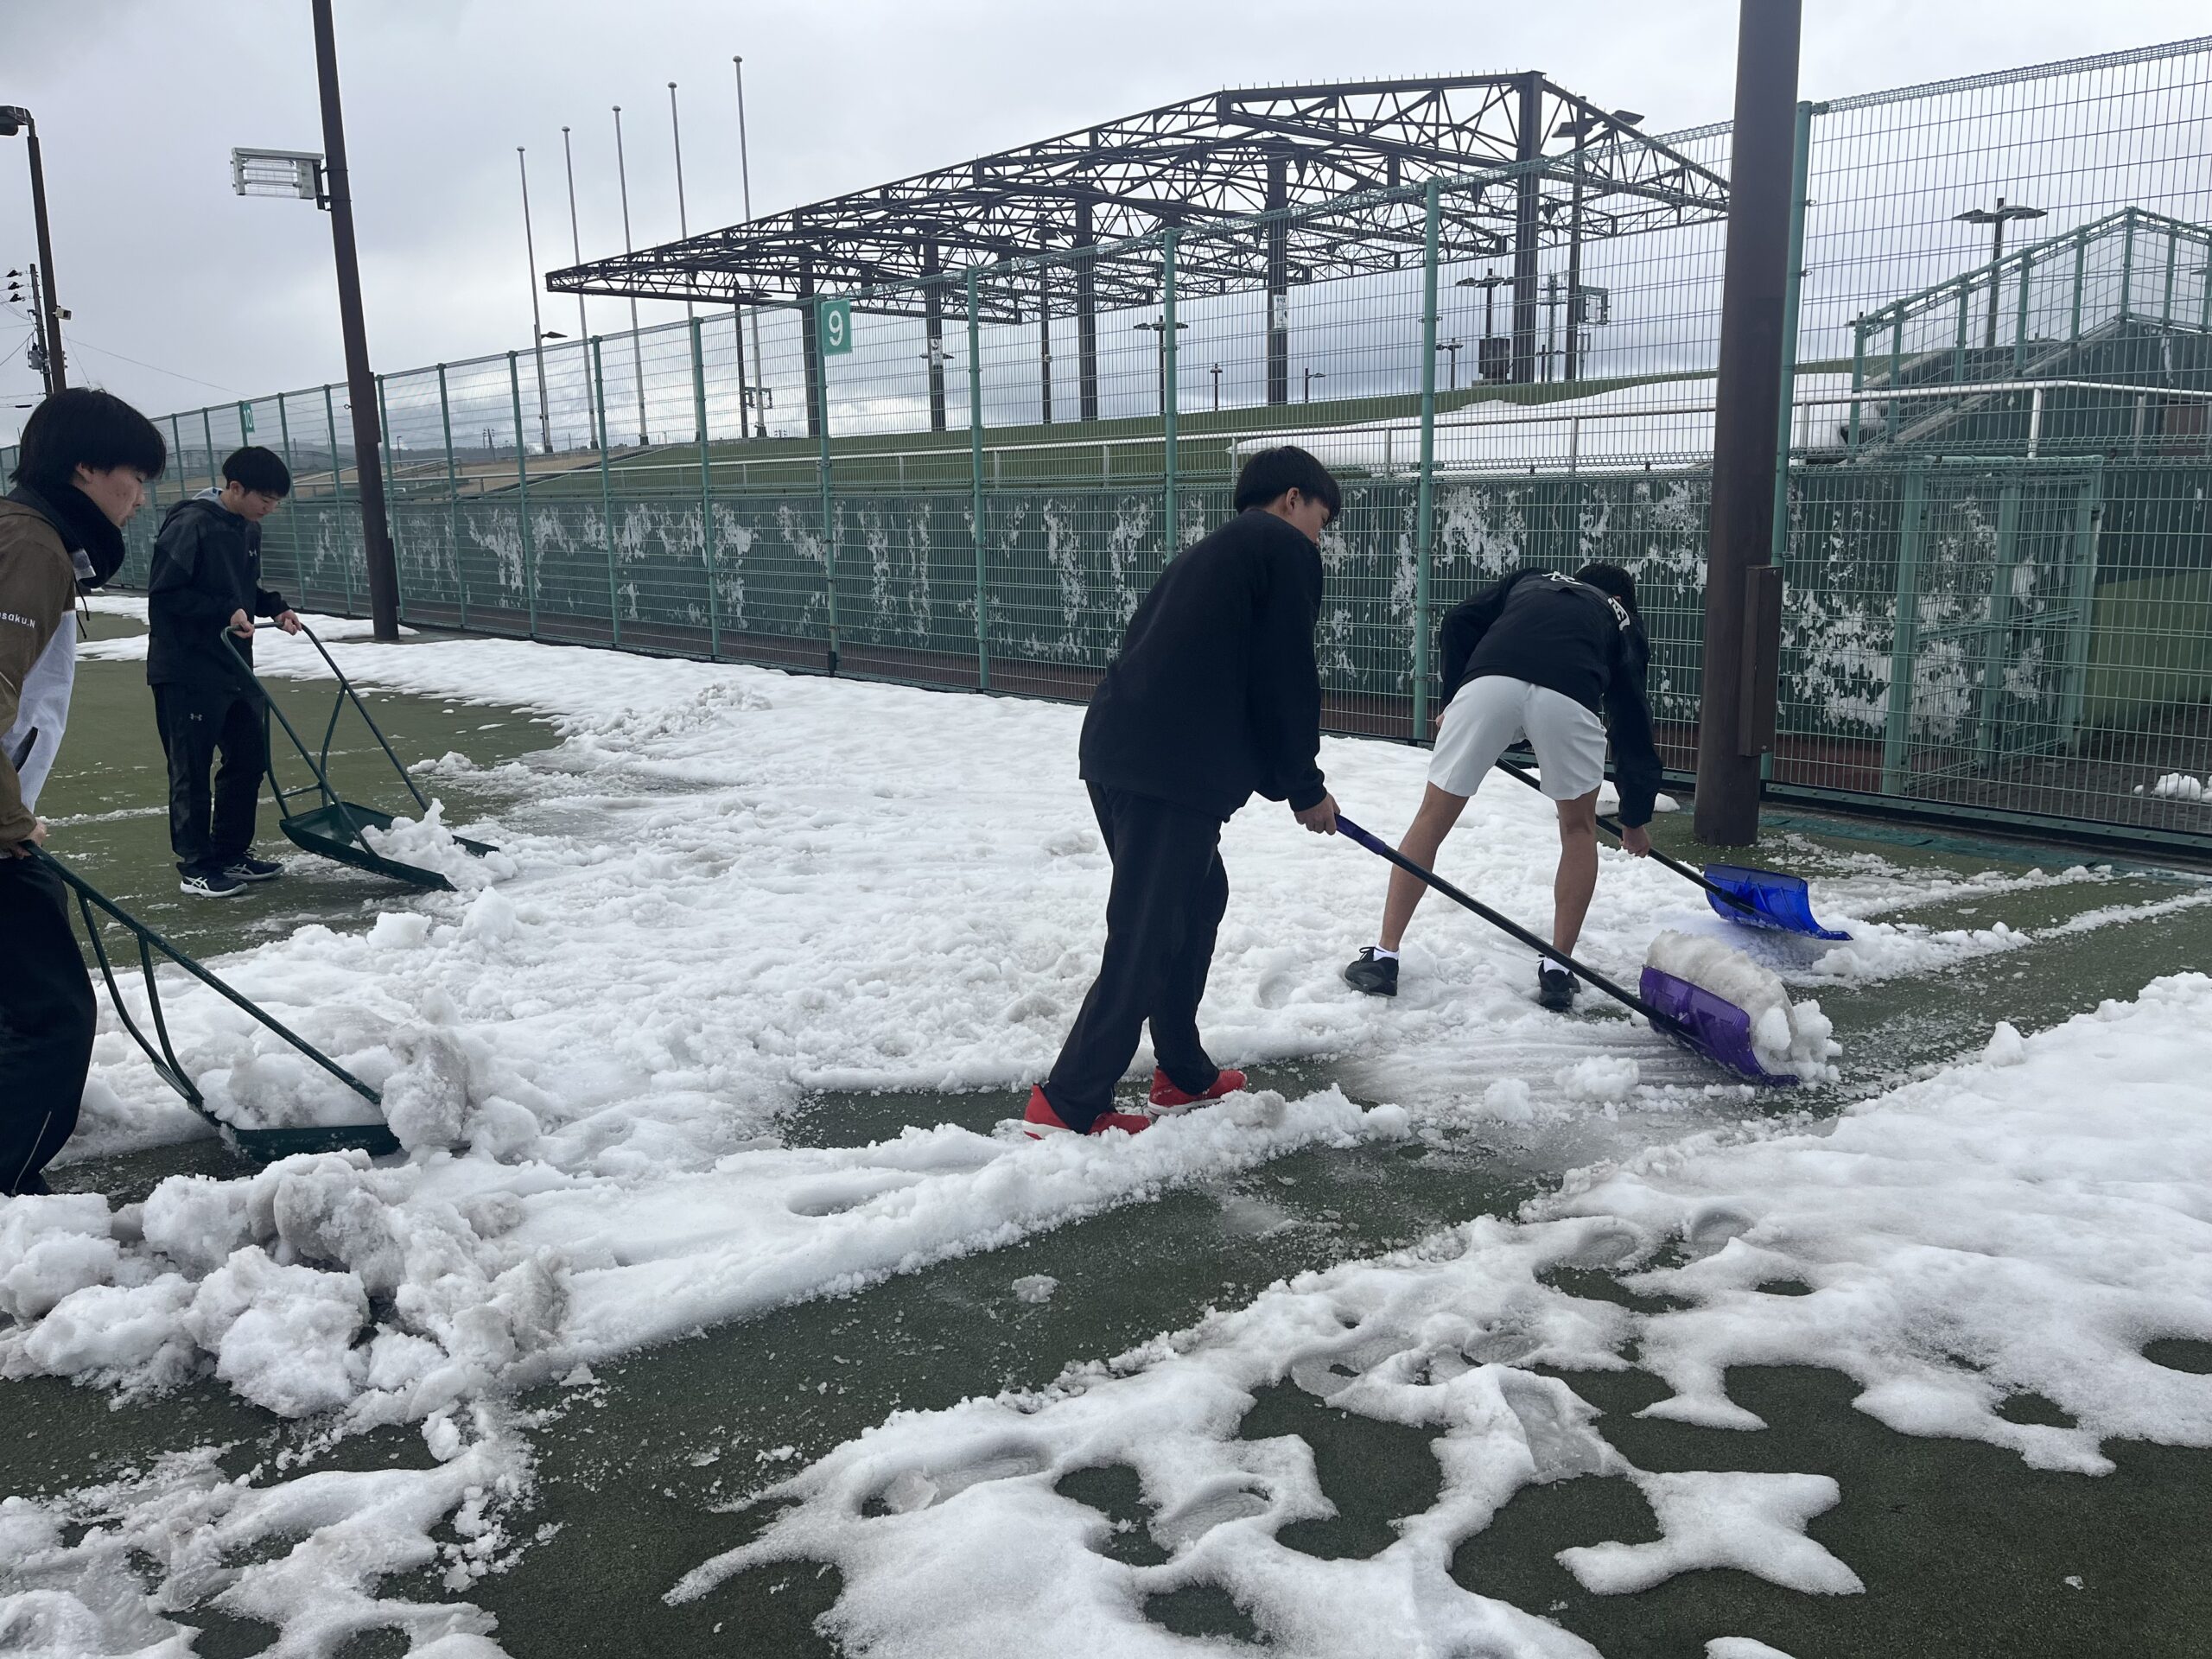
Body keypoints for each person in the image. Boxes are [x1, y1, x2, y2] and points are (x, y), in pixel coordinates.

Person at [1024, 445, 1343, 1139]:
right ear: (1293, 499)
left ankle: (1182, 1074)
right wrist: (1303, 787)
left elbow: (1221, 667)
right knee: (1150, 926)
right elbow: (1284, 674)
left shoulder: (1215, 552)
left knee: (1197, 900)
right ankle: (1069, 1102)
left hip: (1121, 749)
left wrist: (1288, 781)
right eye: (1323, 518)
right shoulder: (1283, 548)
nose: (1321, 536)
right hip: (1168, 766)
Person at [1343, 563, 1661, 1013]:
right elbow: (1632, 719)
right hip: (1570, 696)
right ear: (1622, 599)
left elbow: (1458, 621)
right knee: (1578, 830)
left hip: (1490, 681)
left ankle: (1383, 958)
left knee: (1432, 817)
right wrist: (1634, 817)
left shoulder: (1532, 579)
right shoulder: (1620, 617)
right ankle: (1558, 970)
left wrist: (1454, 699)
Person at [1, 387, 166, 1195]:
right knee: (53, 1019)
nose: (139, 498)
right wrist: (8, 825)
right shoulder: (30, 548)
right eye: (134, 477)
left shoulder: (30, 538)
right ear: (85, 470)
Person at [145, 445, 300, 898]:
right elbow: (165, 595)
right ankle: (196, 866)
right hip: (186, 668)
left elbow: (242, 589)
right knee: (191, 769)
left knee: (249, 758)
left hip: (234, 665)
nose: (269, 509)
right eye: (265, 499)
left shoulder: (247, 528)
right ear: (235, 487)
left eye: (276, 502)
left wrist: (275, 607)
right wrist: (223, 612)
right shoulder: (191, 524)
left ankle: (231, 853)